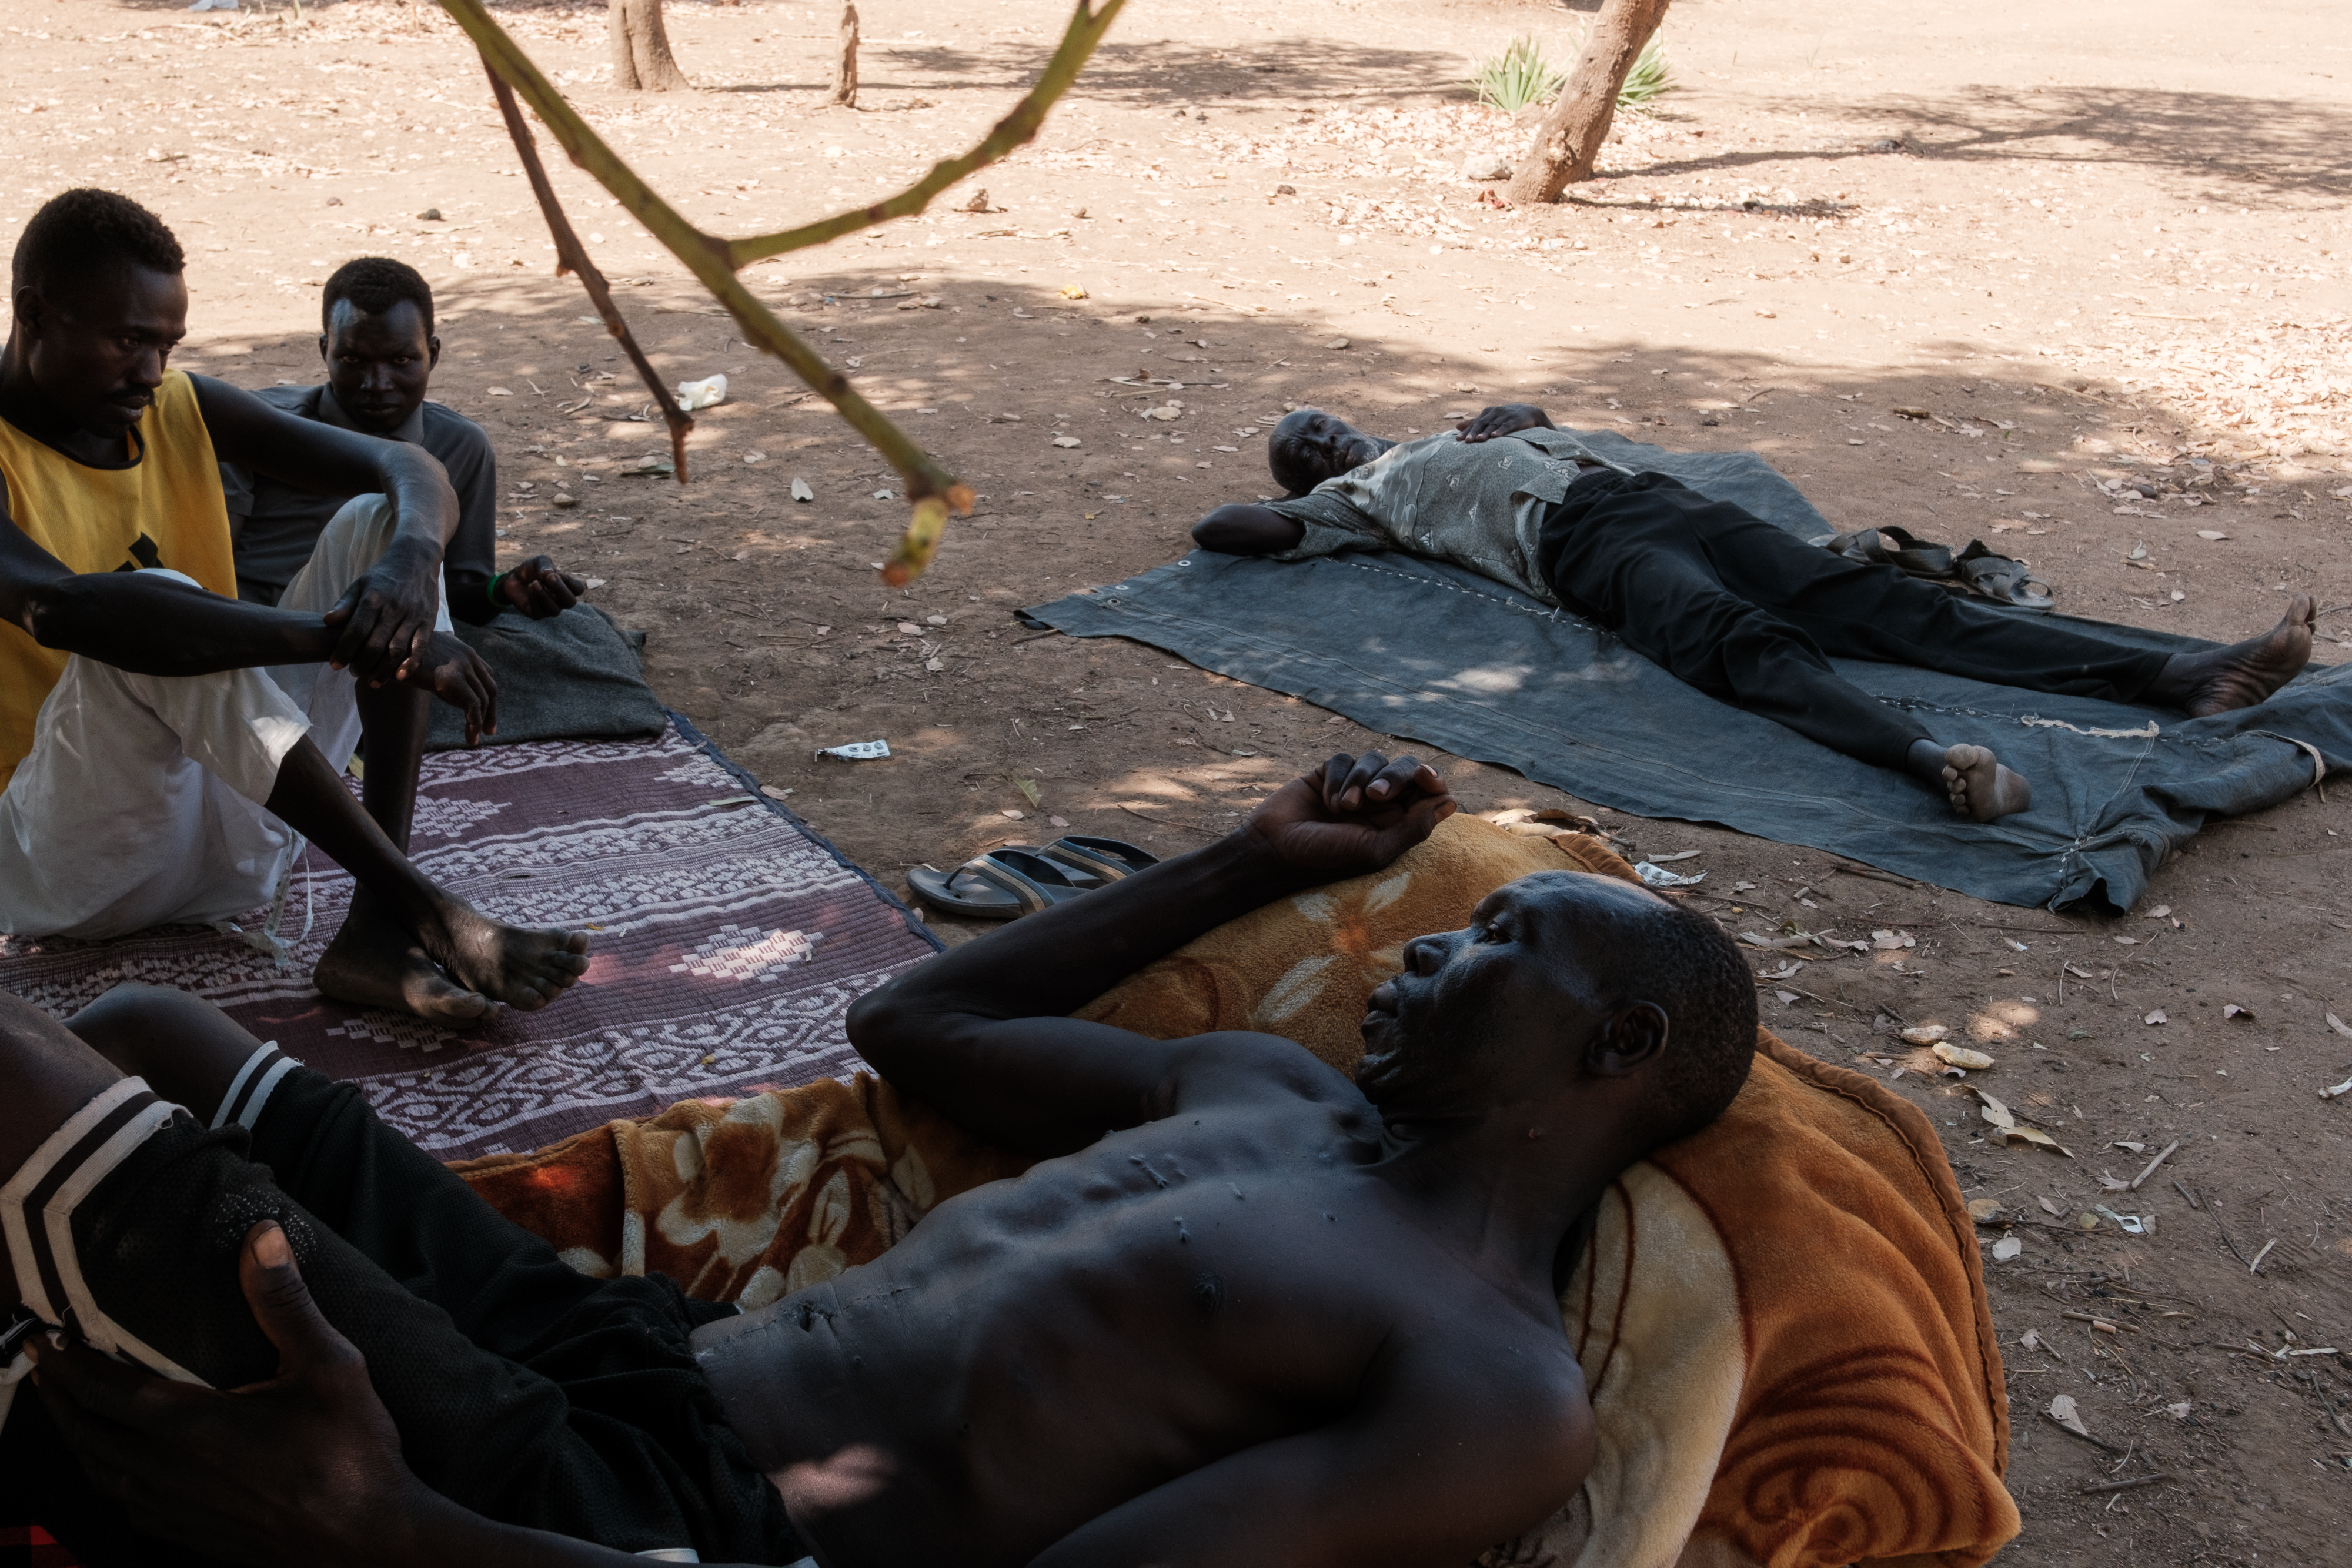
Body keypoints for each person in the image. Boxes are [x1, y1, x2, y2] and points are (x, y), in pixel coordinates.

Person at [9, 750, 1759, 1568]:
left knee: (30, 1094)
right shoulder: (1262, 1097)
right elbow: (916, 1030)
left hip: (666, 1525)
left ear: (1614, 1052)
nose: (1416, 949)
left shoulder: (1489, 1381)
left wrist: (393, 1532)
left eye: (1493, 941)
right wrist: (1242, 862)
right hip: (635, 1359)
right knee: (161, 1031)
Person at [0, 188, 590, 1019]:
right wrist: (335, 637)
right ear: (32, 312)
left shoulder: (178, 405)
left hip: (226, 842)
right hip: (64, 861)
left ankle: (375, 932)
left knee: (379, 521)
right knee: (160, 606)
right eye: (128, 340)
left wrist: (412, 566)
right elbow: (62, 610)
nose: (150, 372)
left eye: (166, 344)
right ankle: (417, 902)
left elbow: (412, 472)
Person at [1192, 404, 2319, 823]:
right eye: (1308, 448)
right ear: (1308, 480)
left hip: (1660, 500)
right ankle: (1931, 762)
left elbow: (1536, 411)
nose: (1329, 441)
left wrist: (1506, 409)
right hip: (1586, 548)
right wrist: (1299, 491)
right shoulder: (1355, 503)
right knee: (1741, 646)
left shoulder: (1451, 434)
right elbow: (1230, 532)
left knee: (1888, 604)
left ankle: (2181, 677)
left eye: (1327, 425)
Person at [220, 256, 583, 623]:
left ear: (433, 354)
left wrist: (502, 590)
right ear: (324, 350)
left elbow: (451, 598)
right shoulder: (253, 427)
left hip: (379, 642)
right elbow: (207, 574)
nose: (377, 384)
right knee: (385, 503)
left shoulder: (460, 446)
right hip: (261, 639)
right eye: (352, 359)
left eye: (401, 360)